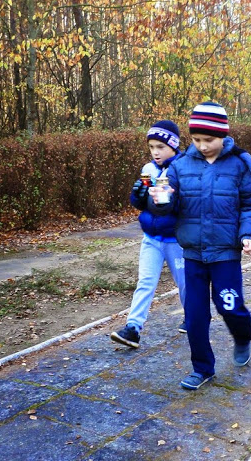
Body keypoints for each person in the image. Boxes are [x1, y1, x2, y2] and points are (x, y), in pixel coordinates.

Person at [149, 101, 251, 391]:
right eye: (197, 139)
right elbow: (166, 207)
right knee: (195, 315)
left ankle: (243, 335)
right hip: (193, 253)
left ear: (223, 135)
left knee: (229, 306)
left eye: (209, 140)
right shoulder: (179, 166)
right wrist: (159, 199)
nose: (202, 146)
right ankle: (202, 368)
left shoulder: (241, 164)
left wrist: (249, 234)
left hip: (226, 253)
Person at [110, 120, 187, 349]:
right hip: (151, 238)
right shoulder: (149, 169)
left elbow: (188, 205)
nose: (155, 152)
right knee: (145, 282)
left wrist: (170, 199)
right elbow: (140, 204)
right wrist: (138, 195)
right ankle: (133, 329)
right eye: (152, 147)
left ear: (173, 145)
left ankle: (193, 317)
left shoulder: (183, 169)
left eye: (161, 147)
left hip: (176, 240)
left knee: (185, 284)